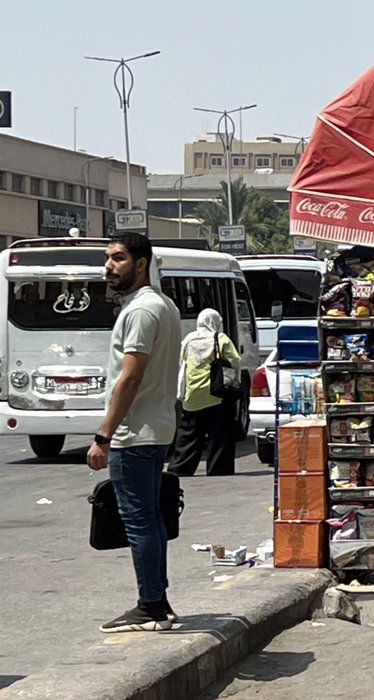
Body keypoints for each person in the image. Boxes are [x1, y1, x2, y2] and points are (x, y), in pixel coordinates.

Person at [87, 233, 182, 633]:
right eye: (108, 258)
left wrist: (104, 435)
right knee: (150, 518)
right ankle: (158, 600)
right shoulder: (161, 305)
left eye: (119, 258)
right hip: (156, 427)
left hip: (135, 432)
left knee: (139, 520)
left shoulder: (142, 311)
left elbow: (130, 376)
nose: (110, 266)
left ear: (141, 263)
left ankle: (151, 606)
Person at [169, 308, 241, 476]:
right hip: (216, 394)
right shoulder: (220, 339)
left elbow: (180, 361)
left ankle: (180, 468)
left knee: (189, 434)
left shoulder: (188, 339)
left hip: (192, 394)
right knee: (220, 435)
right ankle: (218, 468)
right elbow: (235, 361)